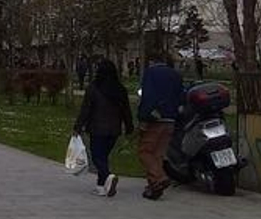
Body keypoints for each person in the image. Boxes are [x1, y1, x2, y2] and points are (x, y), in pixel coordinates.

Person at [74, 58, 132, 197]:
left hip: (97, 127)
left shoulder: (94, 88)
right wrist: (129, 126)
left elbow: (86, 109)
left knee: (97, 157)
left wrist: (78, 126)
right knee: (103, 157)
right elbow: (126, 110)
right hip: (114, 129)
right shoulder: (120, 89)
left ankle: (107, 176)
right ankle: (101, 187)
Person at [136, 49, 185, 200]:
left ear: (151, 61)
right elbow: (181, 96)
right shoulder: (175, 74)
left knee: (145, 151)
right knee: (158, 153)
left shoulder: (151, 73)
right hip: (171, 118)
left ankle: (159, 178)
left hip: (156, 118)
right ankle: (153, 187)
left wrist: (143, 117)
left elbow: (148, 96)